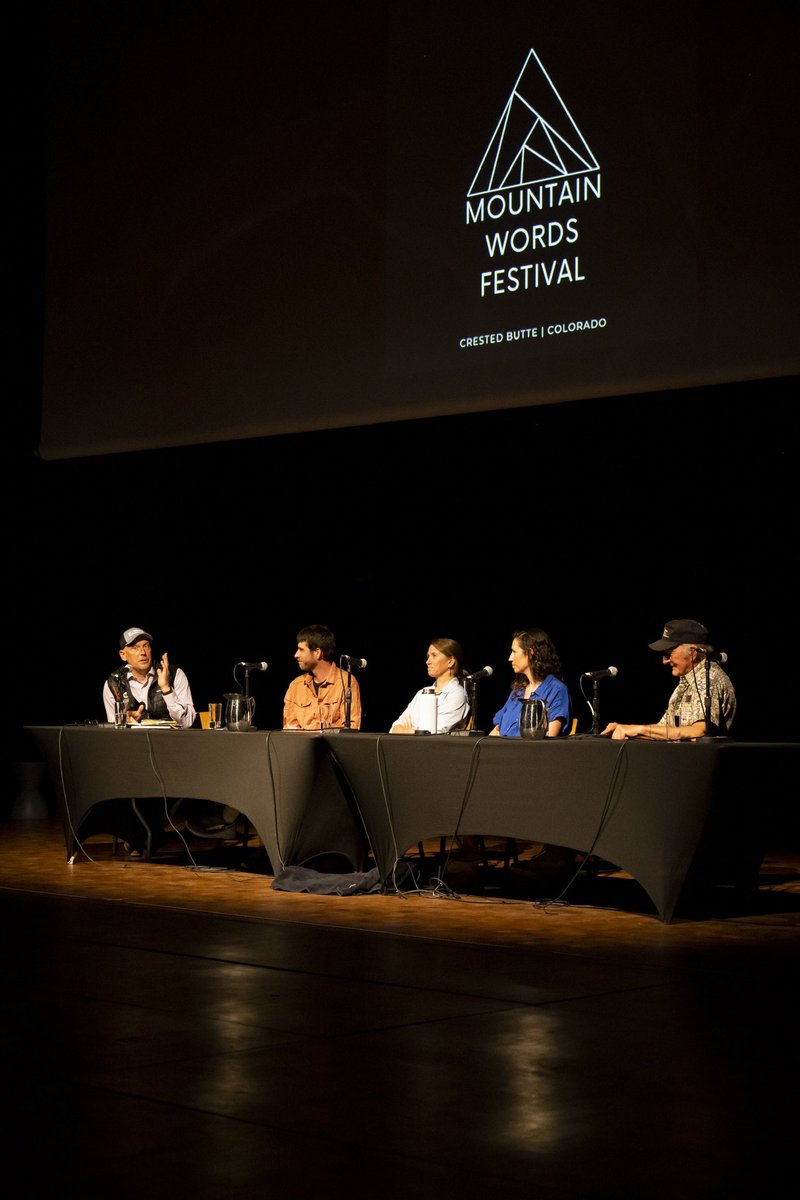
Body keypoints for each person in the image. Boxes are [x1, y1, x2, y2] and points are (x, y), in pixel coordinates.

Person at [601, 618, 736, 741]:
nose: (664, 661)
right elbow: (665, 729)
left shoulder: (710, 679)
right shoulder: (685, 683)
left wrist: (638, 730)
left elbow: (699, 730)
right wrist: (626, 728)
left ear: (693, 652)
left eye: (669, 653)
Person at [103, 626, 196, 727]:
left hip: (170, 740)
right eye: (135, 648)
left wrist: (166, 689)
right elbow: (113, 730)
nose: (143, 653)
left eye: (146, 646)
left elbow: (187, 723)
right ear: (123, 655)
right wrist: (125, 721)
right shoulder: (114, 683)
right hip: (133, 740)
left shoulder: (174, 674)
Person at [490, 628, 571, 737]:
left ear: (531, 652)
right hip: (502, 751)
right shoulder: (518, 691)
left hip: (528, 752)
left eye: (514, 652)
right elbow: (496, 731)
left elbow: (550, 739)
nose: (510, 658)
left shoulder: (555, 690)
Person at [283, 624, 362, 730]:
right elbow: (289, 728)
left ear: (317, 652)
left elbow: (351, 728)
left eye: (301, 650)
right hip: (302, 746)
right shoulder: (295, 686)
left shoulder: (347, 682)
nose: (296, 655)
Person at [390, 639, 469, 734]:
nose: (428, 661)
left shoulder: (457, 694)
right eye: (428, 656)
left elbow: (434, 732)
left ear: (450, 662)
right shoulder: (422, 693)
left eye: (434, 655)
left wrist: (406, 730)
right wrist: (413, 731)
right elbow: (395, 727)